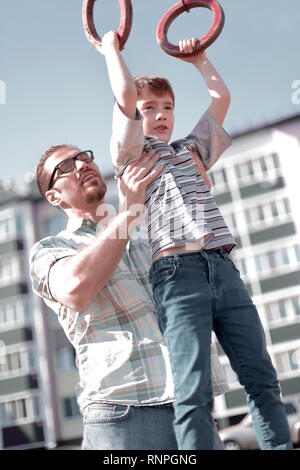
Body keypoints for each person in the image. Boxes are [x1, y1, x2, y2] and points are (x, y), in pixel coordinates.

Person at [99, 31, 292, 450]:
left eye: (168, 107)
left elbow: (220, 99)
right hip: (177, 274)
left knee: (262, 378)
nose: (161, 114)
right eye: (148, 108)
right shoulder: (131, 155)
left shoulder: (191, 151)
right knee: (194, 390)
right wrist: (112, 50)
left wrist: (200, 59)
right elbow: (124, 92)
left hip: (223, 267)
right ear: (134, 113)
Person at [29, 144, 229, 450]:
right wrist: (128, 210)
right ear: (53, 196)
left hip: (191, 405)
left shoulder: (144, 235)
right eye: (66, 166)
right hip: (124, 413)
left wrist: (194, 195)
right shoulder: (51, 248)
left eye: (84, 157)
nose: (82, 165)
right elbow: (75, 289)